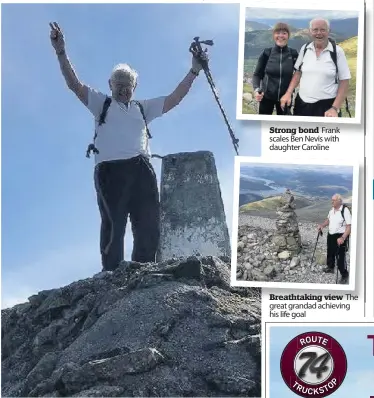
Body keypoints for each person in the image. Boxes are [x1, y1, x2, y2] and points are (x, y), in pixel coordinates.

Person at [49, 22, 208, 271]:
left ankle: (143, 271)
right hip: (110, 171)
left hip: (141, 168)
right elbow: (74, 84)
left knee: (148, 222)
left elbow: (174, 98)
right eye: (119, 84)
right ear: (110, 84)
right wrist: (60, 52)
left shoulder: (142, 108)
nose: (123, 89)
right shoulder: (101, 104)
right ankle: (111, 274)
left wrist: (194, 71)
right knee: (114, 224)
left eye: (128, 85)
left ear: (135, 87)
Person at [280, 18, 351, 117]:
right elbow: (298, 73)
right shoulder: (305, 48)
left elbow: (344, 81)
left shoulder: (337, 52)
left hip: (327, 106)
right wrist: (288, 93)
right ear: (310, 32)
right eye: (315, 30)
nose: (319, 33)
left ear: (328, 31)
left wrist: (334, 108)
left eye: (323, 30)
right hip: (302, 104)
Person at [252, 23, 298, 115]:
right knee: (264, 126)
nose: (281, 36)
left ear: (288, 36)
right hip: (266, 97)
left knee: (283, 127)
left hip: (285, 97)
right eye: (278, 33)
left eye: (284, 33)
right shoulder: (267, 53)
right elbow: (257, 74)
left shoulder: (293, 54)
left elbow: (298, 74)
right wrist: (257, 90)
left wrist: (290, 93)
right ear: (274, 35)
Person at [317, 194, 351, 284]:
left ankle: (344, 274)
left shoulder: (345, 210)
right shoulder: (332, 210)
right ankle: (330, 267)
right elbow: (328, 220)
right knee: (330, 252)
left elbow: (348, 227)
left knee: (340, 257)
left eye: (334, 200)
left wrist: (343, 237)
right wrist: (322, 226)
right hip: (331, 235)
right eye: (332, 200)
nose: (332, 202)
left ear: (339, 201)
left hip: (340, 236)